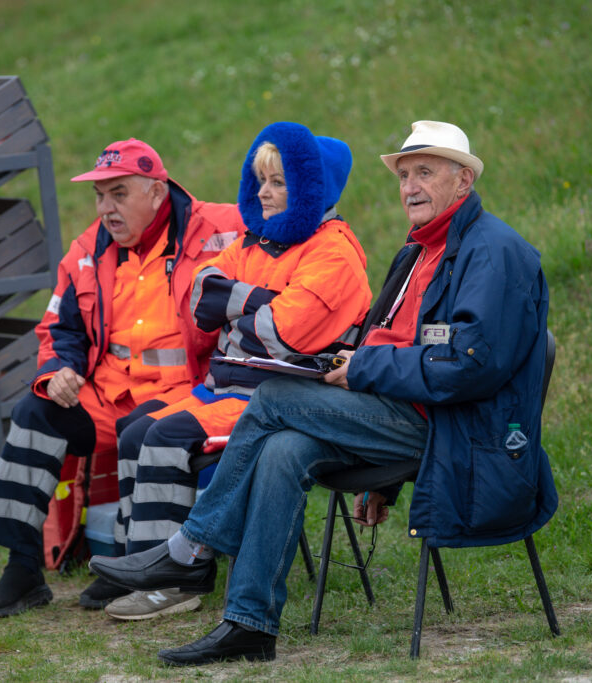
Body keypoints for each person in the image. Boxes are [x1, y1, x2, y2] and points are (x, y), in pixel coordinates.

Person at [90, 120, 559, 665]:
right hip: (400, 413)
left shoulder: (495, 252)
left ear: (463, 181)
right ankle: (249, 624)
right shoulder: (418, 251)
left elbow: (468, 367)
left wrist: (363, 367)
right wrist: (382, 468)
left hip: (457, 430)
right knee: (282, 449)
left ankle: (191, 548)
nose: (410, 187)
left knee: (273, 397)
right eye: (404, 175)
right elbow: (398, 345)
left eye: (425, 173)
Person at [99, 121, 371, 621]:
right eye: (261, 180)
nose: (263, 193)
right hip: (223, 388)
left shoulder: (334, 252)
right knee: (134, 431)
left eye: (278, 183)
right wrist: (262, 302)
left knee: (166, 437)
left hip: (274, 400)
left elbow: (280, 334)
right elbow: (198, 296)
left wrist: (238, 309)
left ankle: (176, 583)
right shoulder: (256, 241)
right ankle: (135, 564)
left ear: (313, 190)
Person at [0, 138, 245, 621]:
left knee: (139, 428)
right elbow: (60, 328)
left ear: (156, 192)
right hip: (108, 392)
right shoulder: (87, 249)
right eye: (99, 196)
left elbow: (280, 240)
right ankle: (23, 569)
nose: (105, 209)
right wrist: (57, 371)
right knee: (35, 411)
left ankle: (130, 563)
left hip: (187, 391)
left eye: (119, 194)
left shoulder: (223, 228)